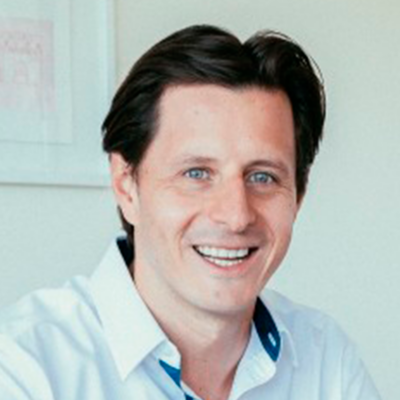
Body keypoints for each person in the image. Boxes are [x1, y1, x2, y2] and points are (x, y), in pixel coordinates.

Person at [0, 25, 381, 400]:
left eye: (262, 177)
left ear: (299, 195)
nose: (236, 216)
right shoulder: (25, 367)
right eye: (196, 173)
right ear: (126, 185)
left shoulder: (327, 362)